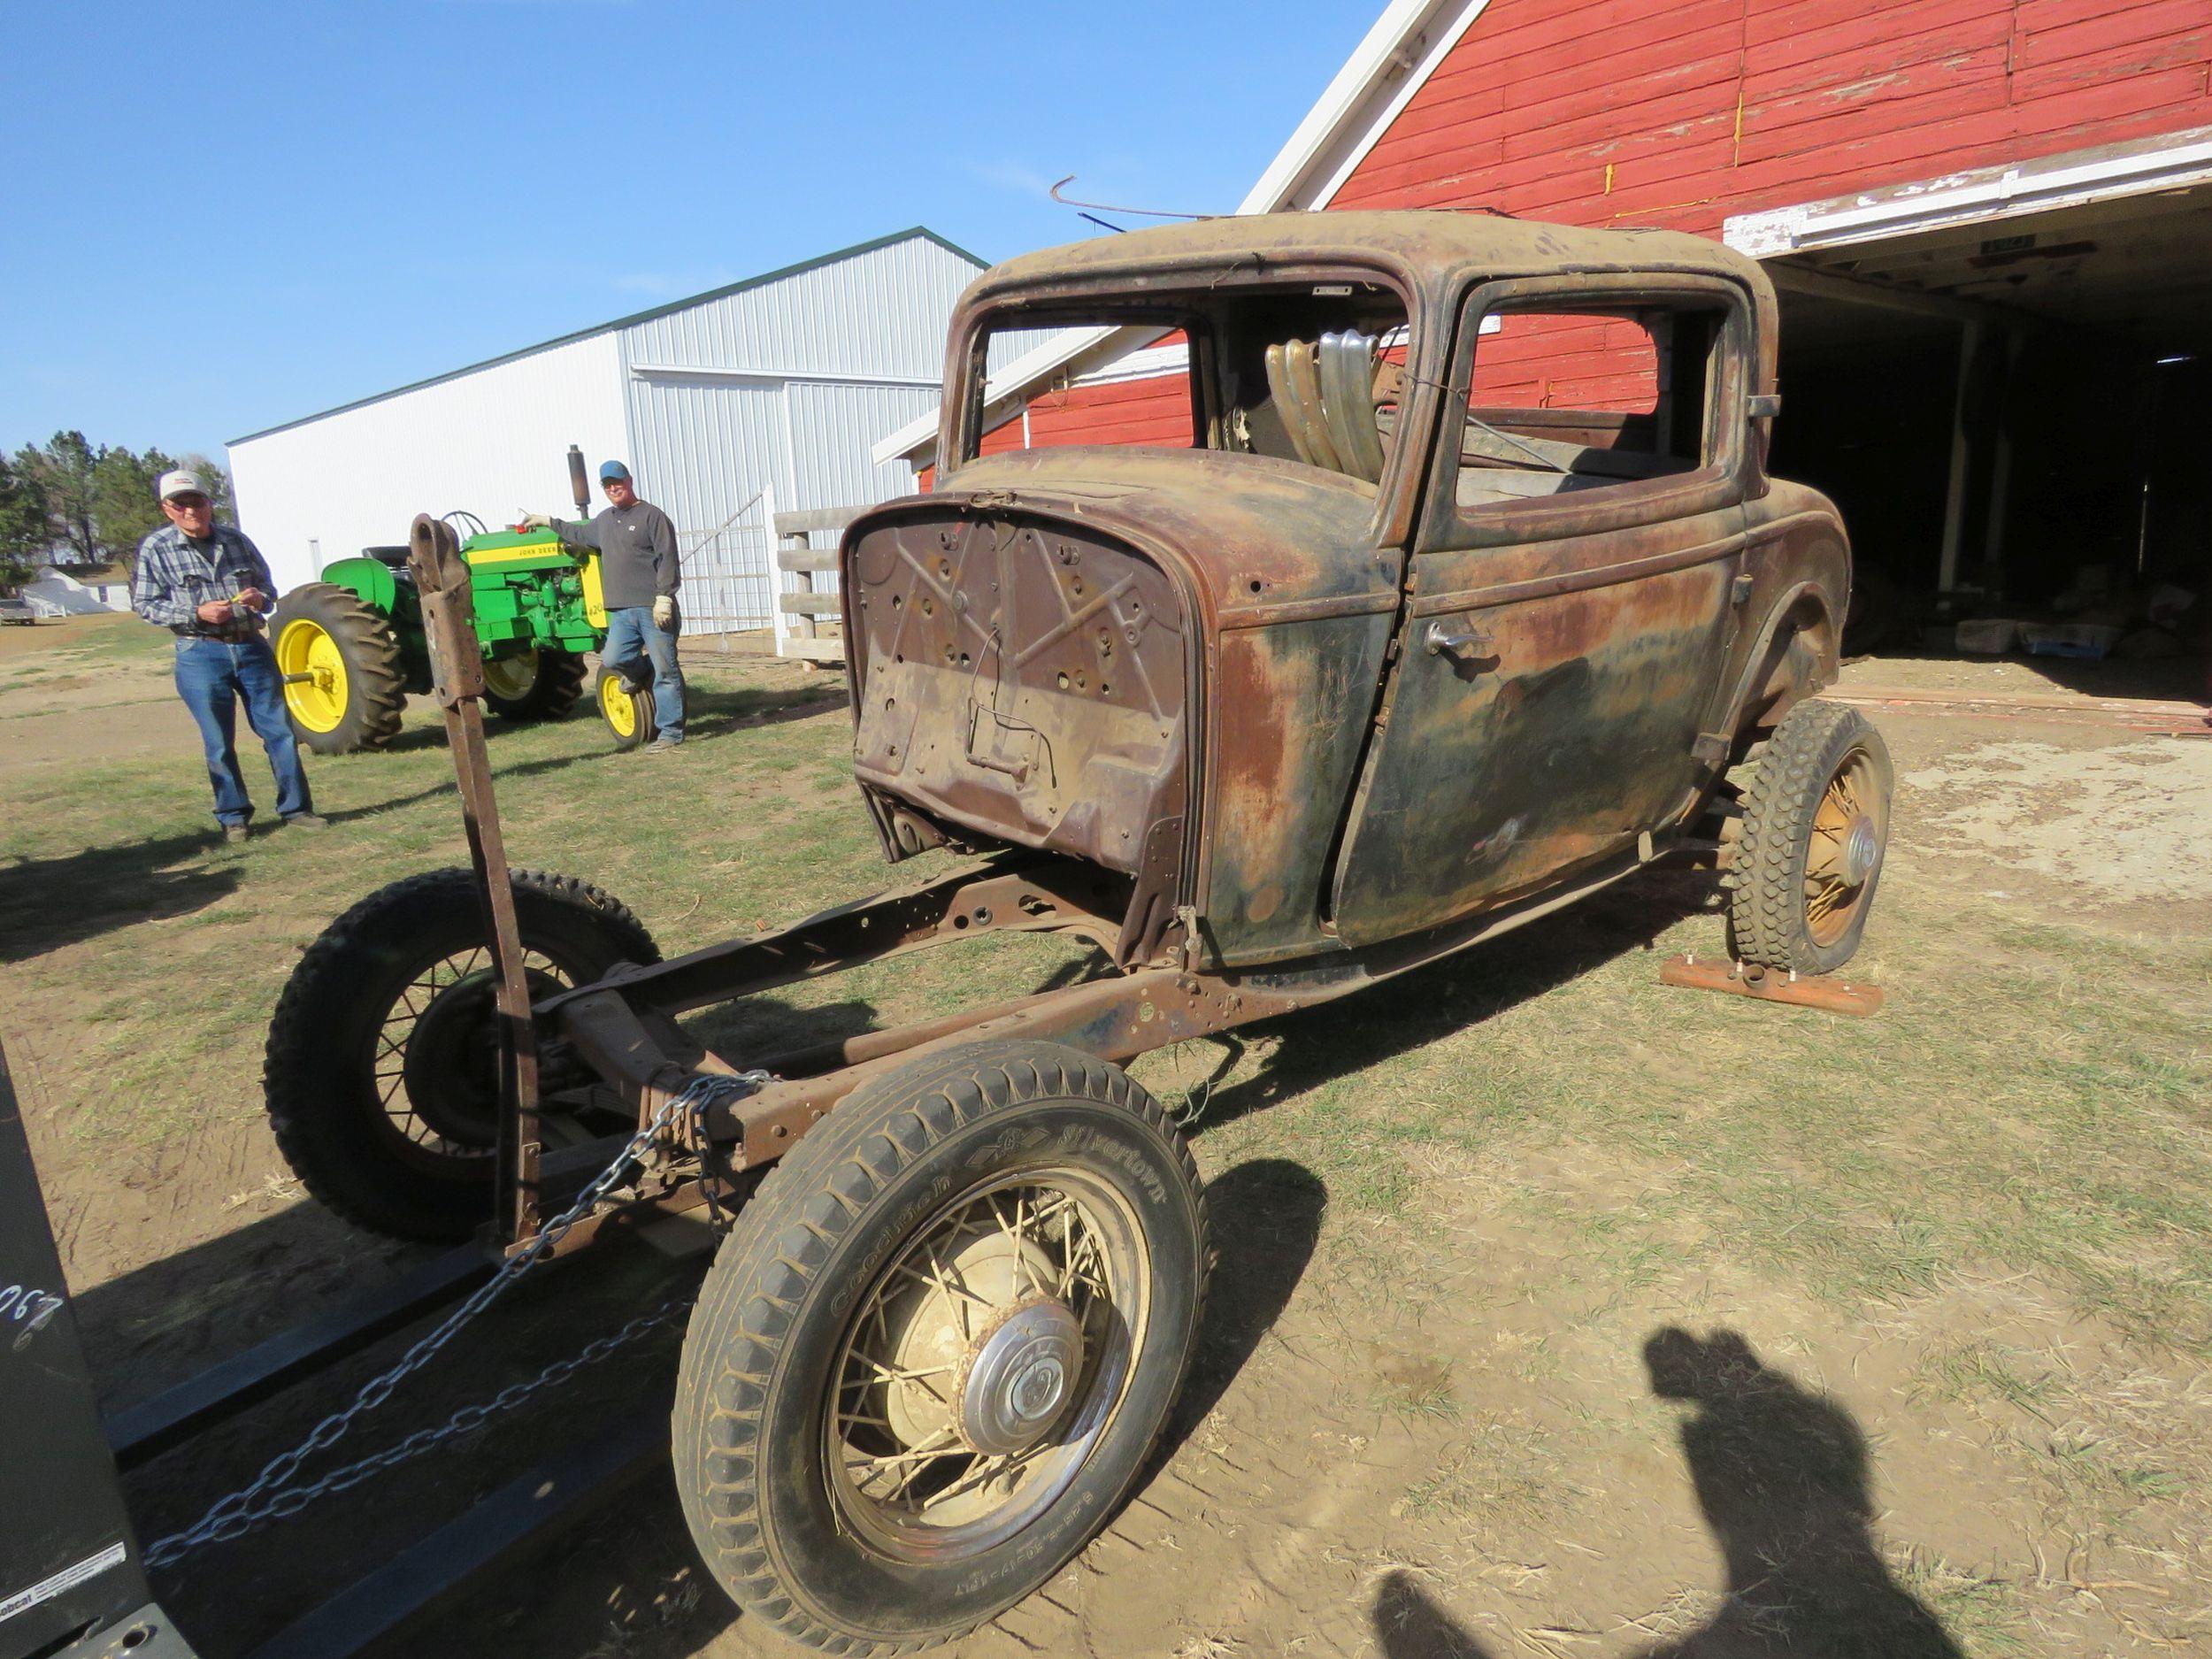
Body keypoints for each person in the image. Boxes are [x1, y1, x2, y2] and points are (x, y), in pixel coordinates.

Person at [131, 471, 324, 842]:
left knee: (280, 732)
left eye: (197, 501)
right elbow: (145, 604)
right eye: (180, 503)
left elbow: (268, 588)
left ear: (209, 503)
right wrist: (195, 614)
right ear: (167, 508)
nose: (191, 510)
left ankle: (297, 810)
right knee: (218, 741)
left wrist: (259, 598)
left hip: (250, 645)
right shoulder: (156, 548)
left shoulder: (236, 541)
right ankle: (234, 818)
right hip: (199, 652)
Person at [524, 460, 685, 751]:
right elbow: (579, 534)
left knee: (666, 673)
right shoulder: (604, 521)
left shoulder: (652, 516)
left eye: (617, 482)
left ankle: (670, 732)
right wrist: (550, 521)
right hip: (621, 611)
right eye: (607, 485)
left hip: (653, 608)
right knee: (613, 659)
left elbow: (668, 558)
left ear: (629, 480)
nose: (613, 488)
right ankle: (639, 671)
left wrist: (665, 596)